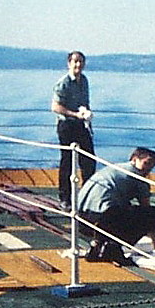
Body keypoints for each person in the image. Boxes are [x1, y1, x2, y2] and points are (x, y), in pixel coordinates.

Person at [79, 148, 155, 265]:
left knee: (123, 209)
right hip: (102, 218)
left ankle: (101, 243)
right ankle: (114, 246)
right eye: (146, 163)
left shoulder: (114, 168)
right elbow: (146, 208)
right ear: (135, 159)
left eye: (152, 165)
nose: (149, 168)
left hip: (81, 218)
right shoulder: (138, 178)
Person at [51, 50, 95, 209]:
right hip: (66, 125)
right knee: (67, 162)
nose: (78, 65)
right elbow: (55, 107)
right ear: (69, 63)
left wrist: (86, 114)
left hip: (81, 124)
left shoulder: (84, 81)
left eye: (81, 61)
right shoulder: (63, 83)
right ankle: (65, 199)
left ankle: (87, 196)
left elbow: (84, 102)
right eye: (75, 61)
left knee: (89, 161)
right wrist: (75, 114)